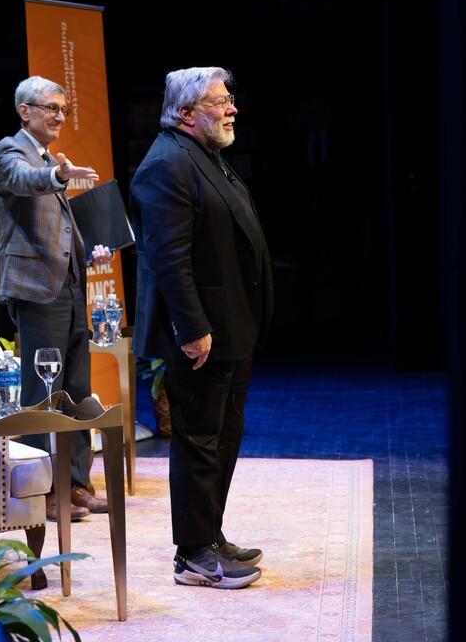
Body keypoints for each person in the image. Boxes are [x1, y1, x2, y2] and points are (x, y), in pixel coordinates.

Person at [130, 67, 273, 589]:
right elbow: (168, 259)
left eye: (230, 98)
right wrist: (191, 327)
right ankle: (193, 555)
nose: (232, 108)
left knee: (223, 436)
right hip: (198, 332)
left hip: (232, 327)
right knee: (198, 441)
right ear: (187, 113)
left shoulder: (204, 157)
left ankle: (209, 535)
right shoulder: (166, 164)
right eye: (220, 101)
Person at [0, 75, 112, 519]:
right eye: (51, 108)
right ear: (26, 111)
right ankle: (42, 493)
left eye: (64, 109)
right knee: (43, 390)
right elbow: (25, 181)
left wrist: (87, 254)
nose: (60, 116)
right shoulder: (10, 152)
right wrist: (57, 173)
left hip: (69, 285)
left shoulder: (45, 157)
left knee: (77, 390)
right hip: (38, 291)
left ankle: (76, 485)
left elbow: (61, 230)